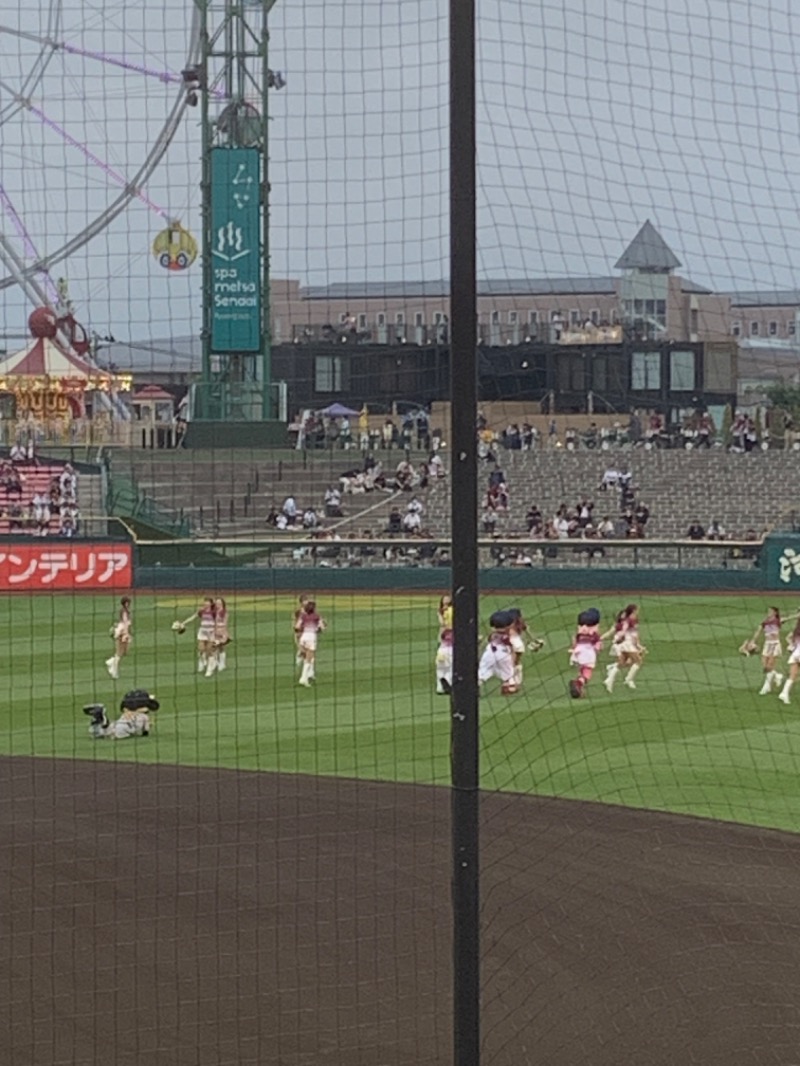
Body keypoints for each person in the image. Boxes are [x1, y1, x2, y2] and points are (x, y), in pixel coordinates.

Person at [602, 604, 645, 693]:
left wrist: (638, 645)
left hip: (625, 644)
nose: (638, 612)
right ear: (633, 611)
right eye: (636, 610)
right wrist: (637, 645)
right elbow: (627, 632)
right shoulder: (629, 621)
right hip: (626, 644)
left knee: (622, 662)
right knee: (638, 661)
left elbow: (633, 634)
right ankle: (628, 679)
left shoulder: (631, 621)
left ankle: (609, 679)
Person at [84, 690, 159, 740]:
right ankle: (103, 721)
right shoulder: (144, 717)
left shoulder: (126, 713)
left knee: (102, 732)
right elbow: (145, 732)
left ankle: (101, 721)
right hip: (123, 730)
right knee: (113, 735)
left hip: (118, 724)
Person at [744, 607, 784, 696]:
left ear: (775, 613)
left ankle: (766, 687)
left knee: (769, 665)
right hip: (767, 644)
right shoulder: (764, 622)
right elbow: (758, 631)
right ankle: (777, 675)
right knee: (765, 665)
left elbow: (789, 618)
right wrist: (753, 641)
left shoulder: (778, 621)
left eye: (770, 611)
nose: (768, 612)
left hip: (775, 644)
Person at [478, 610, 518, 695]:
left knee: (484, 669)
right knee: (508, 671)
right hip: (503, 653)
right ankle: (509, 685)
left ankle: (477, 684)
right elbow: (510, 645)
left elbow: (489, 639)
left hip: (490, 652)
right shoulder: (507, 635)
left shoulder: (493, 634)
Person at [173, 597, 217, 675]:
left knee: (209, 650)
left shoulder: (214, 612)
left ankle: (209, 669)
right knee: (201, 649)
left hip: (211, 632)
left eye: (207, 602)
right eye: (205, 602)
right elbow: (193, 617)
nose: (205, 603)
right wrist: (183, 623)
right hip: (203, 631)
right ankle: (202, 662)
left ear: (211, 603)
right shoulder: (201, 611)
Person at [569, 607, 602, 698]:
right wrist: (598, 650)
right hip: (588, 653)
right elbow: (597, 645)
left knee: (582, 670)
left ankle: (579, 689)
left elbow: (574, 641)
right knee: (587, 673)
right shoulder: (594, 634)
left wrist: (573, 649)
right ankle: (578, 683)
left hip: (577, 653)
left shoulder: (580, 633)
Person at [295, 600, 327, 686]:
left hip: (303, 637)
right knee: (310, 659)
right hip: (311, 638)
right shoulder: (317, 616)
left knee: (306, 657)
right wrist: (319, 628)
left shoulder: (303, 616)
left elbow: (297, 627)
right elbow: (322, 628)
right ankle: (304, 678)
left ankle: (306, 674)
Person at [105, 596, 132, 680]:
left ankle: (111, 662)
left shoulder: (125, 611)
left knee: (124, 652)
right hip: (122, 633)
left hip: (122, 632)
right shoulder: (124, 612)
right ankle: (114, 671)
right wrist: (125, 634)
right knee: (119, 653)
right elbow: (125, 623)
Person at [779, 618, 800, 704]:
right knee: (793, 675)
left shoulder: (796, 631)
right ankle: (784, 693)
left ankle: (784, 693)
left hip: (796, 653)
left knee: (793, 675)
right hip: (798, 653)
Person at [212, 596, 231, 674]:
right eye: (216, 603)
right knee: (214, 648)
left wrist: (224, 634)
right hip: (214, 631)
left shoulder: (224, 612)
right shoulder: (214, 612)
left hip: (221, 631)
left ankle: (222, 664)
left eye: (219, 603)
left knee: (221, 647)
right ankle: (216, 663)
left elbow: (225, 624)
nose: (218, 604)